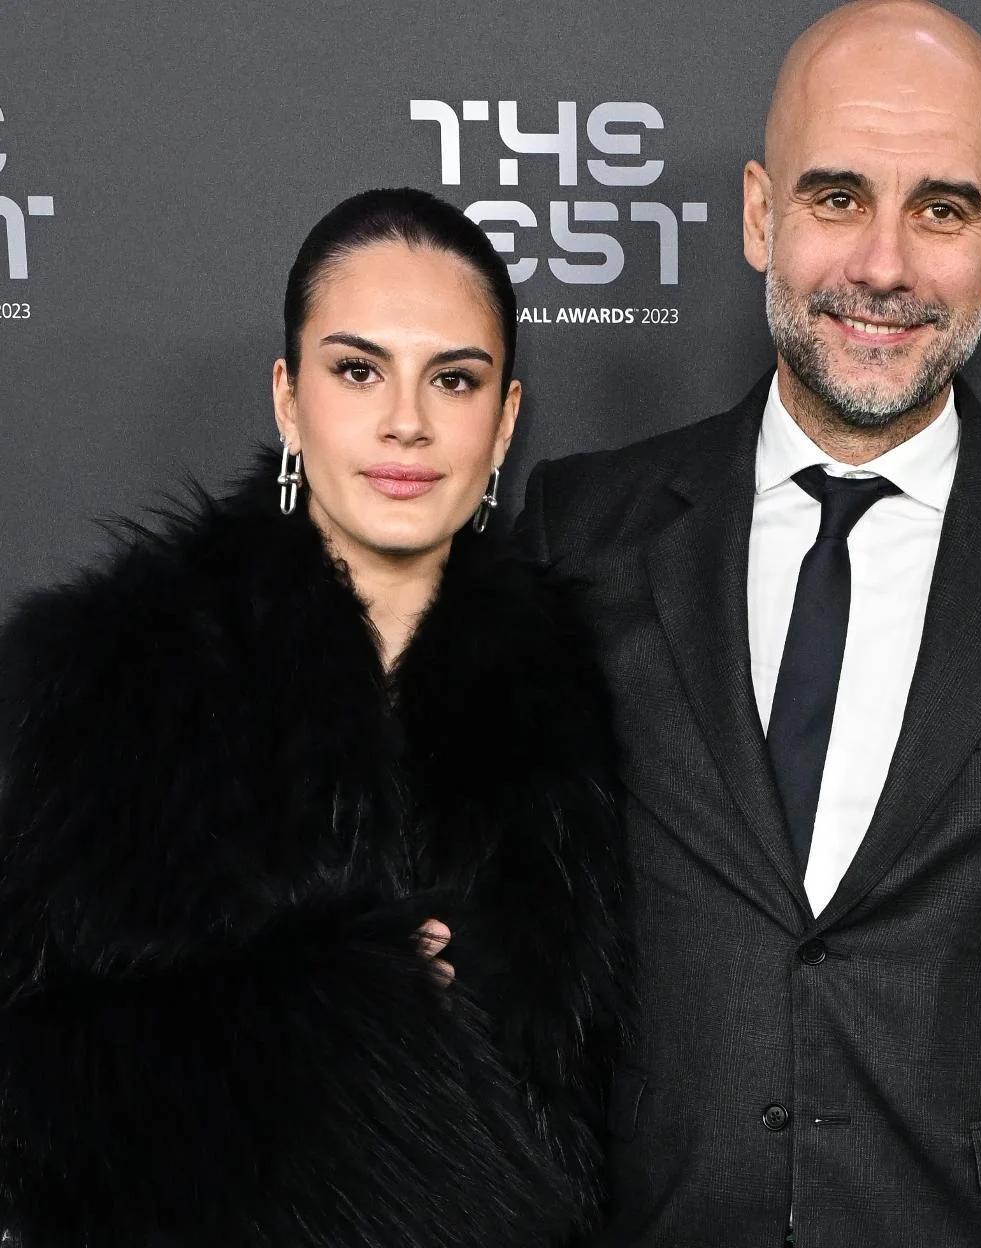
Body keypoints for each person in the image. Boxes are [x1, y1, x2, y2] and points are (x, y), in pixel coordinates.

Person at [516, 2, 981, 1245]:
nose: (885, 267)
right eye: (837, 197)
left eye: (941, 209)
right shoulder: (587, 529)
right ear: (756, 214)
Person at [0, 188, 625, 1246]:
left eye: (455, 379)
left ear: (506, 418)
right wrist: (348, 1016)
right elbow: (32, 1080)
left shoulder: (580, 694)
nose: (406, 422)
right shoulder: (115, 672)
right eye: (357, 369)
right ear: (289, 399)